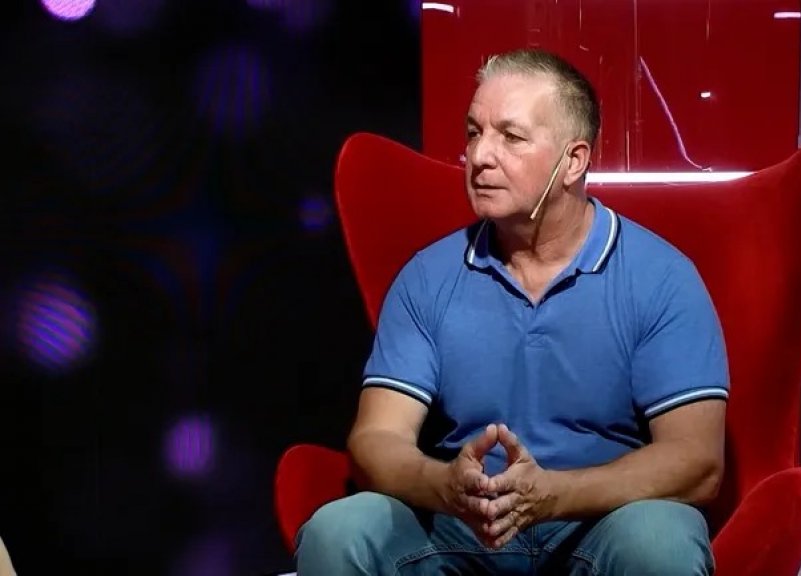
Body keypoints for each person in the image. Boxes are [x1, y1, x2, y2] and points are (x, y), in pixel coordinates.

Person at [296, 47, 729, 575]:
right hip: (460, 524)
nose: (480, 156)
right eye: (473, 132)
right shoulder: (428, 277)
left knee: (662, 539)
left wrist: (553, 494)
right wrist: (445, 485)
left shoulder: (661, 277)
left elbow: (697, 461)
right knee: (339, 531)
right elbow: (375, 439)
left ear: (573, 161)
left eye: (511, 137)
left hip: (597, 520)